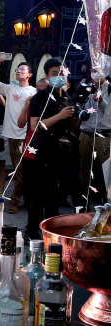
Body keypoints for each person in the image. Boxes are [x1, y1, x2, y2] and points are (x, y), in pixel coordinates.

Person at [27, 57, 77, 240]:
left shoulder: (67, 98)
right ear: (47, 77)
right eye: (55, 73)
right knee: (41, 192)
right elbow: (35, 126)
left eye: (62, 73)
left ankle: (51, 231)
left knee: (58, 195)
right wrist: (59, 116)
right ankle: (31, 231)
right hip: (46, 149)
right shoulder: (40, 98)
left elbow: (71, 127)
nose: (59, 76)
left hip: (65, 149)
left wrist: (76, 118)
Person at [0, 53, 37, 213]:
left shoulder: (34, 92)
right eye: (17, 69)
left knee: (20, 170)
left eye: (22, 69)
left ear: (29, 74)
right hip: (10, 135)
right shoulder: (11, 88)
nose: (18, 71)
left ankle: (15, 201)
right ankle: (26, 199)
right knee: (18, 170)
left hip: (24, 136)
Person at [18, 78, 49, 218]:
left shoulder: (53, 105)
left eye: (43, 90)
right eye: (38, 90)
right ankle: (32, 216)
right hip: (30, 149)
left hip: (46, 149)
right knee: (28, 185)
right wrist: (25, 107)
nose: (40, 93)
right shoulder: (34, 103)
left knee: (42, 186)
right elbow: (20, 124)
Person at [78, 70, 110, 206]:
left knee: (106, 175)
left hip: (103, 136)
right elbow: (77, 106)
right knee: (84, 174)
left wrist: (102, 102)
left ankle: (106, 207)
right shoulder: (86, 87)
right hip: (86, 135)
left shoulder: (109, 89)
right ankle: (84, 207)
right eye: (92, 70)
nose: (94, 73)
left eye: (97, 70)